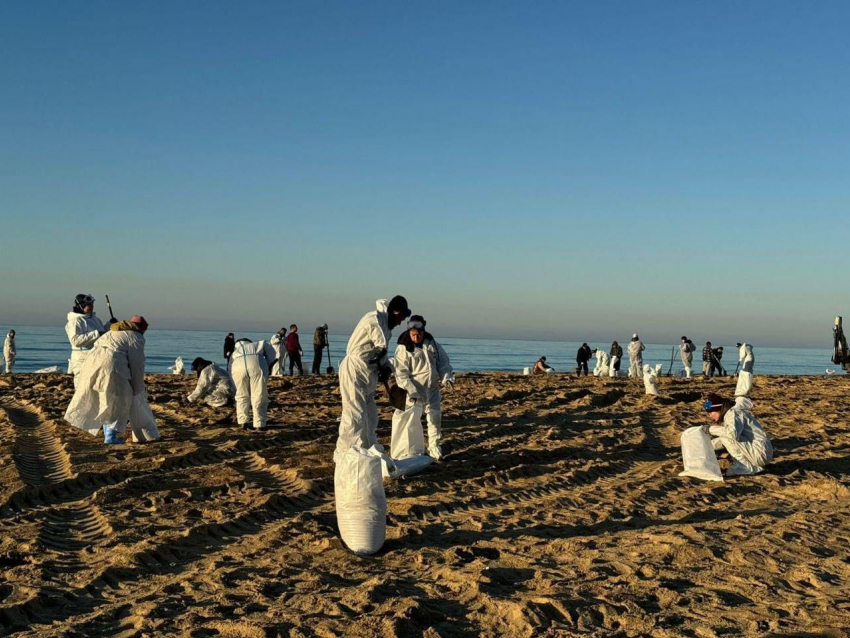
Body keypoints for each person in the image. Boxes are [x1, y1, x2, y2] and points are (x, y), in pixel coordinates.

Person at [334, 296, 411, 462]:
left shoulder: (387, 328)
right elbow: (378, 341)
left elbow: (379, 355)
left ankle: (367, 450)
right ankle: (344, 457)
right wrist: (381, 350)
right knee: (354, 416)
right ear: (395, 312)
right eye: (402, 317)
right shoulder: (374, 319)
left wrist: (386, 368)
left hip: (367, 376)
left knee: (370, 416)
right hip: (354, 372)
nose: (401, 322)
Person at [64, 316, 149, 445]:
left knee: (103, 397)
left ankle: (107, 432)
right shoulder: (136, 337)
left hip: (90, 364)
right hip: (111, 366)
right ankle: (110, 436)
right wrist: (138, 389)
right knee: (117, 398)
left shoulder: (112, 332)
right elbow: (137, 364)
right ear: (142, 329)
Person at [391, 315, 453, 460]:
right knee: (411, 420)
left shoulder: (432, 344)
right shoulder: (403, 348)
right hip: (413, 391)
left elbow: (443, 362)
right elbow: (401, 373)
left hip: (431, 388)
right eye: (413, 335)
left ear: (423, 331)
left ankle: (434, 446)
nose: (416, 337)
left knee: (434, 417)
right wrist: (411, 391)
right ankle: (410, 450)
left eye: (418, 334)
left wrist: (447, 377)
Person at [703, 392, 773, 476]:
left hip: (759, 452)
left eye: (710, 412)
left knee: (728, 437)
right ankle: (752, 467)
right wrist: (706, 447)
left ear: (718, 409)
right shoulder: (731, 414)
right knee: (725, 436)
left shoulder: (734, 413)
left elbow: (732, 434)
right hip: (760, 452)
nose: (710, 416)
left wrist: (711, 429)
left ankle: (744, 468)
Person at [228, 338, 277, 431]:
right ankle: (259, 423)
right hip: (256, 362)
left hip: (237, 365)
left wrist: (235, 389)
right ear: (248, 342)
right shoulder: (257, 344)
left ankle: (243, 422)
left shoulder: (234, 353)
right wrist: (269, 363)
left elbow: (230, 370)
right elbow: (270, 349)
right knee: (258, 394)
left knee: (241, 395)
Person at [66, 294, 110, 386]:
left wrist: (110, 325)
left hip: (96, 356)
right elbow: (75, 341)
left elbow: (102, 334)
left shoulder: (95, 319)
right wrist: (97, 334)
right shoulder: (75, 321)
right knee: (82, 386)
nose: (92, 307)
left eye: (92, 304)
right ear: (81, 306)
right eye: (89, 305)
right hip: (82, 359)